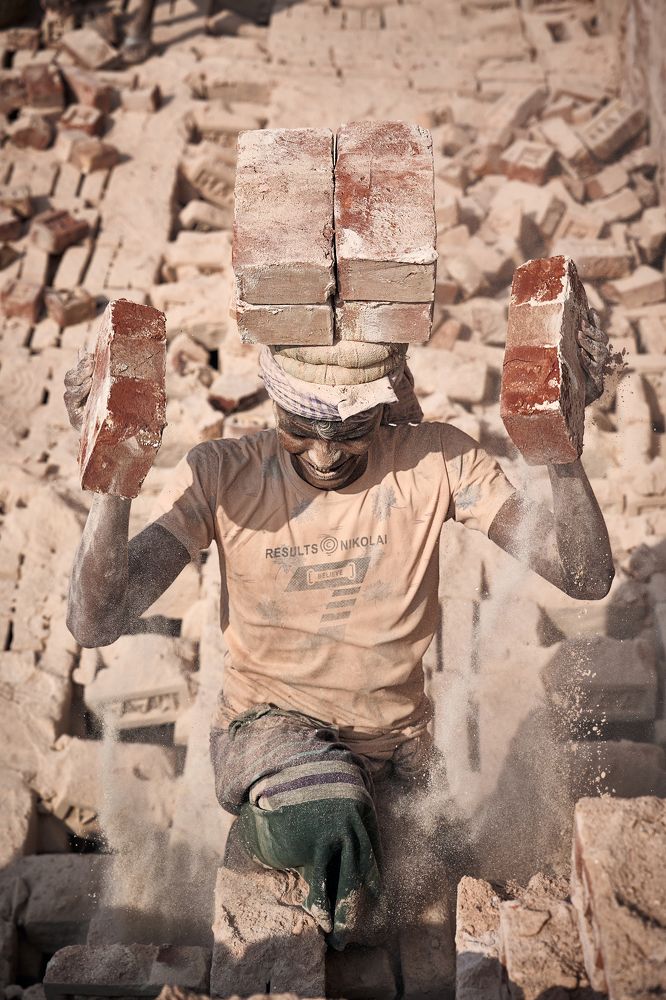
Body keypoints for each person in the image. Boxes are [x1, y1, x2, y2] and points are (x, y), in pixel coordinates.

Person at [64, 316, 614, 948]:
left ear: (381, 411)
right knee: (330, 816)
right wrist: (114, 475)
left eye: (350, 432)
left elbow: (582, 574)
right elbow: (97, 620)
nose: (324, 454)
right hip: (265, 733)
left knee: (445, 896)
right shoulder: (222, 473)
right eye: (301, 430)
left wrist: (563, 448)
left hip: (397, 747)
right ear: (273, 402)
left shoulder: (437, 459)